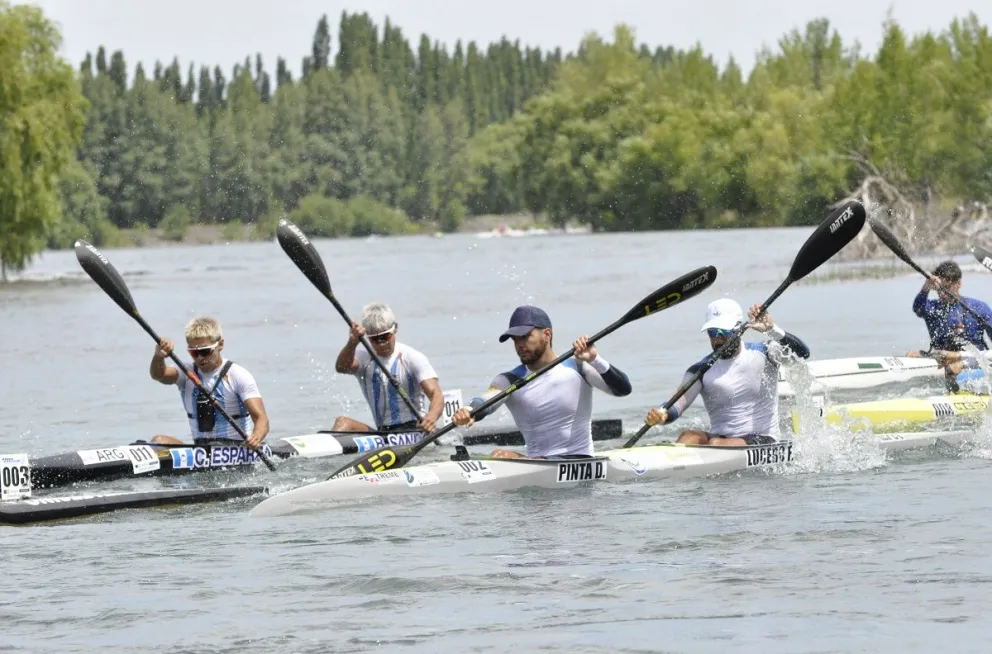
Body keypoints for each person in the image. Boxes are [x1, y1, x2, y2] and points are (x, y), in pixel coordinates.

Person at [451, 305, 632, 458]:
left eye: (525, 336)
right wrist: (469, 411)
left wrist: (595, 359)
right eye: (515, 339)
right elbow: (487, 399)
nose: (519, 344)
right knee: (500, 455)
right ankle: (519, 459)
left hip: (581, 461)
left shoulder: (578, 367)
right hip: (538, 467)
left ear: (546, 334)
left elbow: (624, 389)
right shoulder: (509, 379)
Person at [643, 298, 810, 446]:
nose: (716, 339)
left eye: (722, 332)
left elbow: (803, 354)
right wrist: (661, 415)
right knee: (688, 436)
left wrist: (772, 330)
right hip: (720, 440)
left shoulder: (765, 353)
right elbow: (676, 406)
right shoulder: (700, 370)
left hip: (763, 439)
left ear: (738, 329)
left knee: (716, 443)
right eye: (712, 332)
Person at [149, 316, 269, 448]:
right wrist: (158, 357)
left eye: (205, 351)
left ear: (220, 345)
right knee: (158, 441)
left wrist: (256, 437)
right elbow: (159, 375)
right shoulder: (185, 372)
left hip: (235, 449)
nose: (200, 358)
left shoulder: (238, 375)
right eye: (194, 352)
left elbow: (261, 419)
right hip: (201, 450)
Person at [332, 302, 444, 434]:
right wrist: (352, 342)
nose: (381, 343)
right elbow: (341, 367)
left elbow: (436, 394)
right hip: (382, 433)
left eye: (385, 336)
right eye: (374, 339)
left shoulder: (412, 358)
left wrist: (430, 418)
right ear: (367, 337)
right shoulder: (363, 359)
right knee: (342, 422)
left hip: (415, 429)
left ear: (395, 328)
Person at [905, 260, 992, 390]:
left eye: (947, 287)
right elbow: (917, 308)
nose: (942, 293)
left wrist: (962, 361)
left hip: (973, 364)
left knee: (953, 368)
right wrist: (926, 287)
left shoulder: (979, 308)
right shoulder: (932, 309)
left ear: (958, 284)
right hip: (941, 360)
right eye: (940, 289)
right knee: (910, 356)